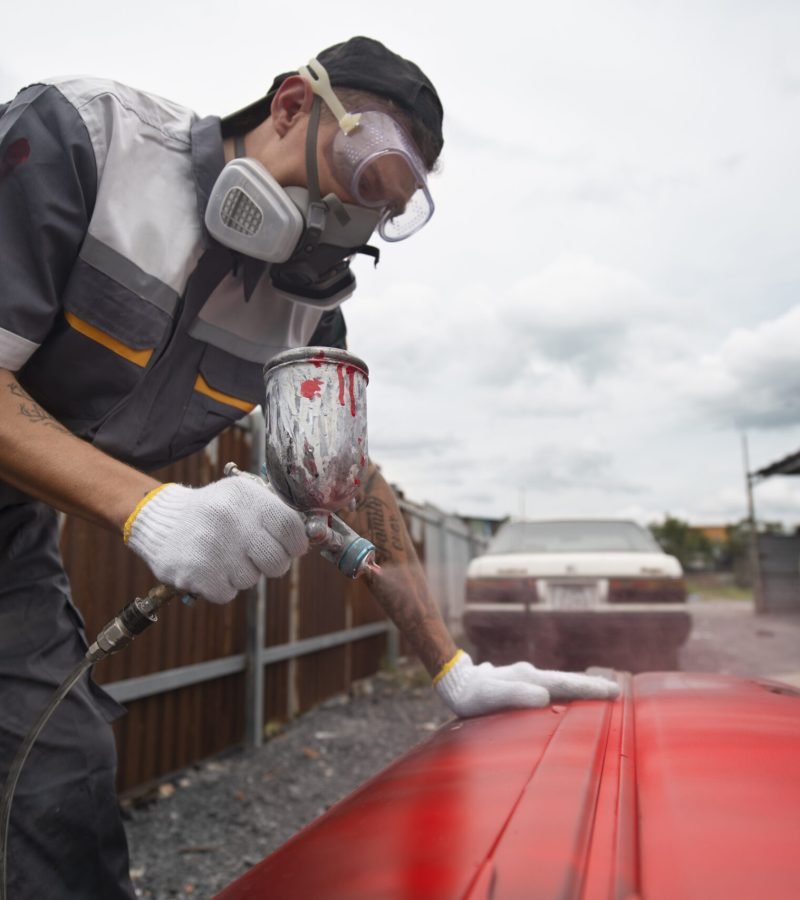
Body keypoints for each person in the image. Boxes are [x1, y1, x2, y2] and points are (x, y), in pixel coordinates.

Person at [0, 36, 619, 898]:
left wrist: (451, 667)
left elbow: (347, 479)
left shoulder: (304, 312)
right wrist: (150, 508)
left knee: (58, 779)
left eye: (387, 207)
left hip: (10, 533)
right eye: (363, 174)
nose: (355, 221)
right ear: (293, 105)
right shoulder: (87, 140)